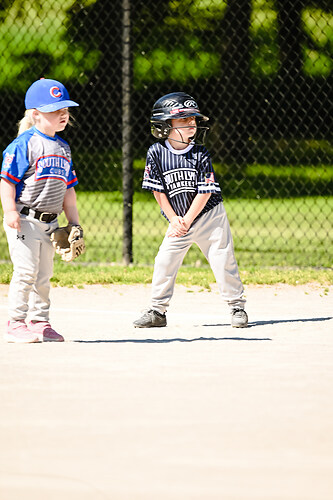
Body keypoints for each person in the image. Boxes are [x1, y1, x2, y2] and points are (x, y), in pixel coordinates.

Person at [133, 91, 248, 329]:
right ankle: (157, 311)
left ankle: (237, 306)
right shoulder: (156, 153)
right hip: (178, 220)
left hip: (209, 216)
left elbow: (205, 192)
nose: (192, 124)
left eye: (193, 119)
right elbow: (158, 190)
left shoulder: (200, 153)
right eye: (184, 120)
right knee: (164, 261)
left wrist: (186, 219)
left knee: (222, 259)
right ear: (165, 125)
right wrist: (175, 219)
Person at [1, 78, 81, 343]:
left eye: (65, 109)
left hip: (51, 223)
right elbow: (6, 181)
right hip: (24, 219)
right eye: (55, 109)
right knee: (26, 272)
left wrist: (74, 222)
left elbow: (69, 190)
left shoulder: (63, 148)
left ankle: (40, 322)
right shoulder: (25, 144)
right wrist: (9, 211)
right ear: (36, 115)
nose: (63, 114)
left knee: (44, 276)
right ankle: (15, 323)